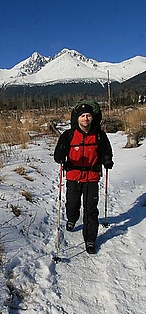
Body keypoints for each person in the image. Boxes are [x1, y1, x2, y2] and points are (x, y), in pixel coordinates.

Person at [54, 101, 114, 254]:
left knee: (91, 209)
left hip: (92, 177)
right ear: (77, 118)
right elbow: (57, 155)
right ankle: (72, 218)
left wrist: (107, 160)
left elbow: (106, 152)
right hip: (74, 176)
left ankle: (90, 239)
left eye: (88, 115)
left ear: (92, 118)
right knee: (73, 203)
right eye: (82, 116)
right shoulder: (68, 135)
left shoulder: (100, 136)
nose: (85, 118)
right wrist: (60, 156)